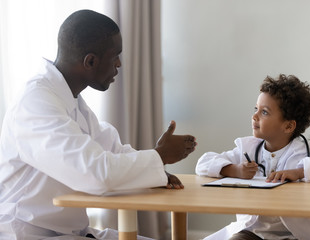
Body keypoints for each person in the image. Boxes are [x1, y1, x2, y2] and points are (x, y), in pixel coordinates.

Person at [0, 9, 197, 240]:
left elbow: (111, 149)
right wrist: (158, 157)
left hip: (67, 233)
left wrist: (156, 170)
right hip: (28, 234)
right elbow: (96, 173)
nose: (119, 64)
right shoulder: (35, 103)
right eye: (115, 56)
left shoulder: (70, 99)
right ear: (90, 61)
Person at [196, 74, 310, 240]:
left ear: (288, 126)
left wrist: (300, 172)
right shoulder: (248, 149)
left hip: (297, 235)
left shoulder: (306, 151)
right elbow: (203, 163)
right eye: (255, 109)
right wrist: (234, 170)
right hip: (253, 233)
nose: (254, 116)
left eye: (264, 112)